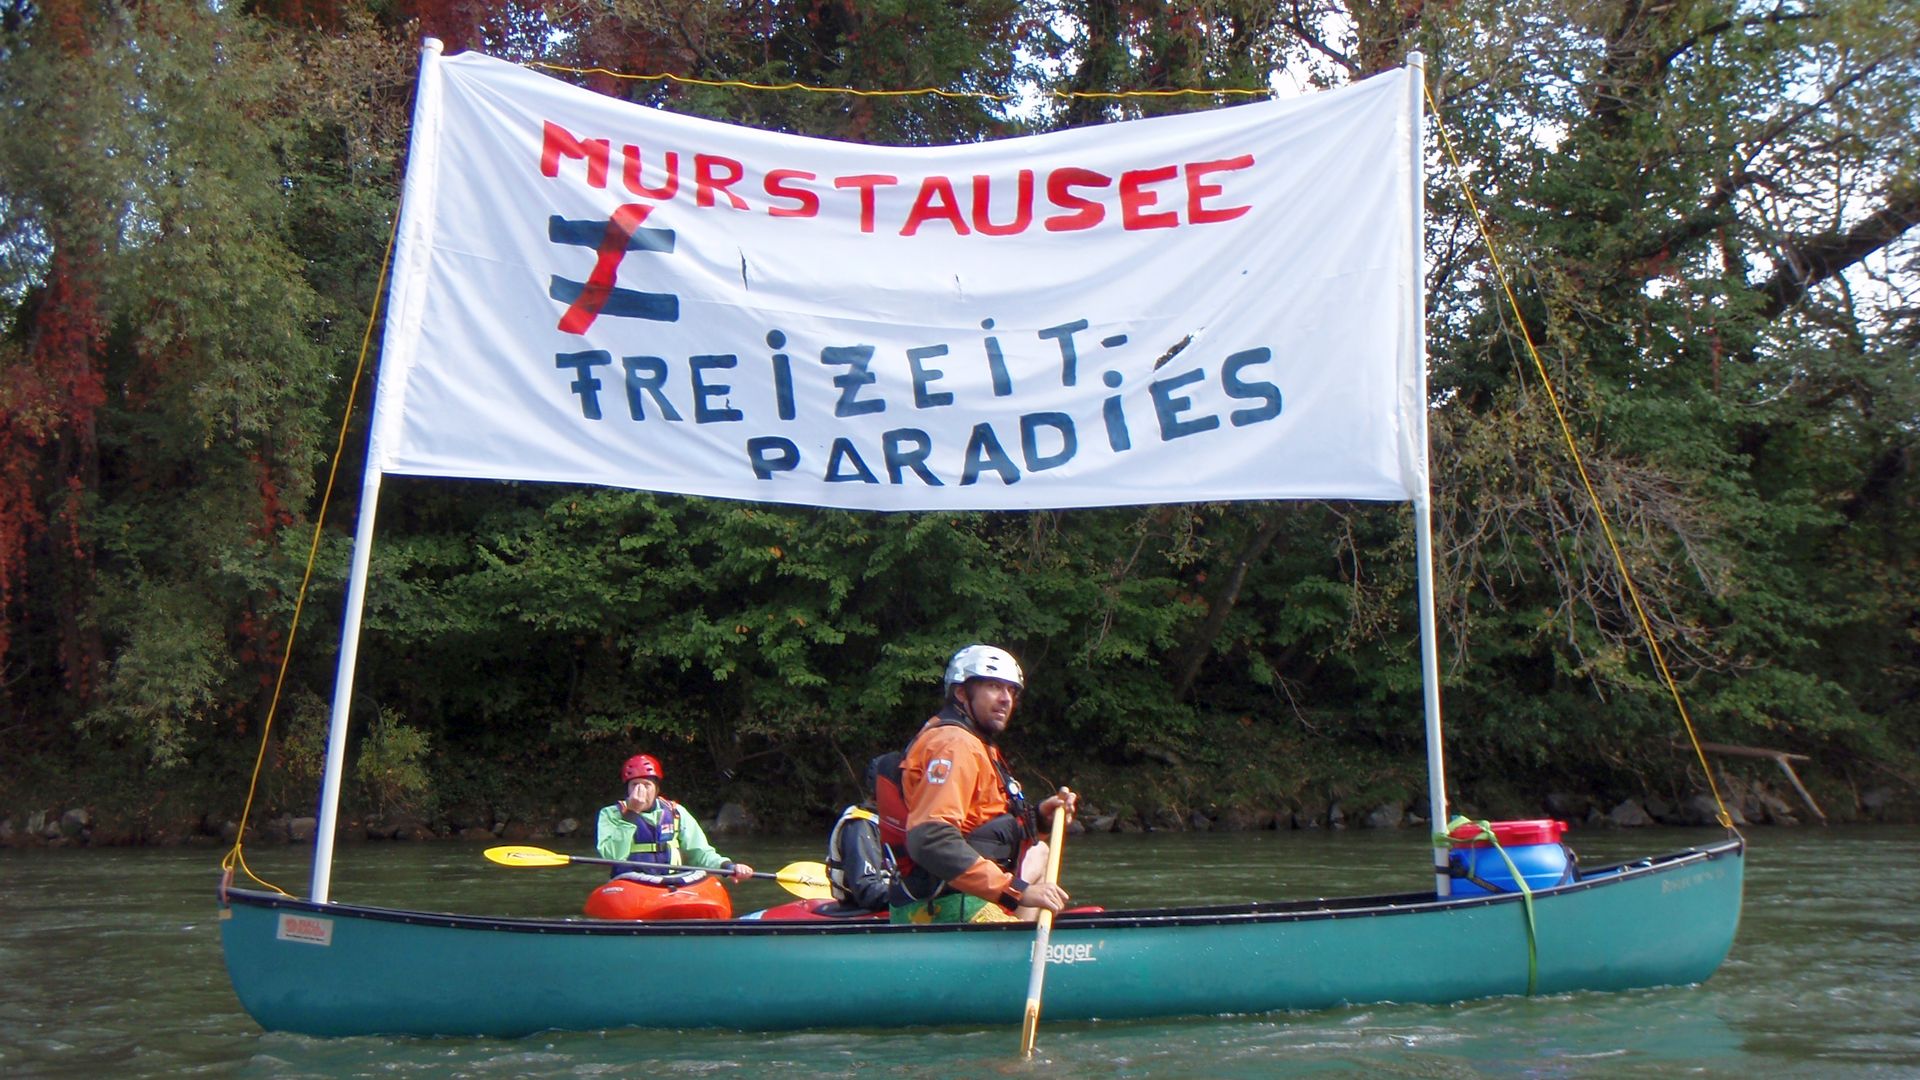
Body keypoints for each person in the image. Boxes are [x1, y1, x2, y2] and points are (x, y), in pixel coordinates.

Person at [888, 644, 1075, 924]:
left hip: (967, 895)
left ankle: (1018, 932)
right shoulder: (954, 744)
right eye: (993, 686)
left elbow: (983, 826)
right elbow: (931, 839)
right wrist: (1016, 890)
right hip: (944, 905)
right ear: (962, 693)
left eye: (1011, 690)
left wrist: (1039, 819)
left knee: (1040, 851)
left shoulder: (975, 744)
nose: (1006, 699)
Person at [595, 753, 753, 883]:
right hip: (630, 883)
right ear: (627, 789)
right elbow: (612, 856)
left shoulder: (676, 813)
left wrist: (728, 866)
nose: (640, 790)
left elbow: (701, 853)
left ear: (657, 789)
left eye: (647, 785)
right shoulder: (611, 814)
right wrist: (631, 813)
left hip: (670, 883)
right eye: (635, 785)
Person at [823, 756, 894, 913]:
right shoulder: (860, 826)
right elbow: (868, 891)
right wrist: (915, 893)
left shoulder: (894, 822)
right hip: (861, 911)